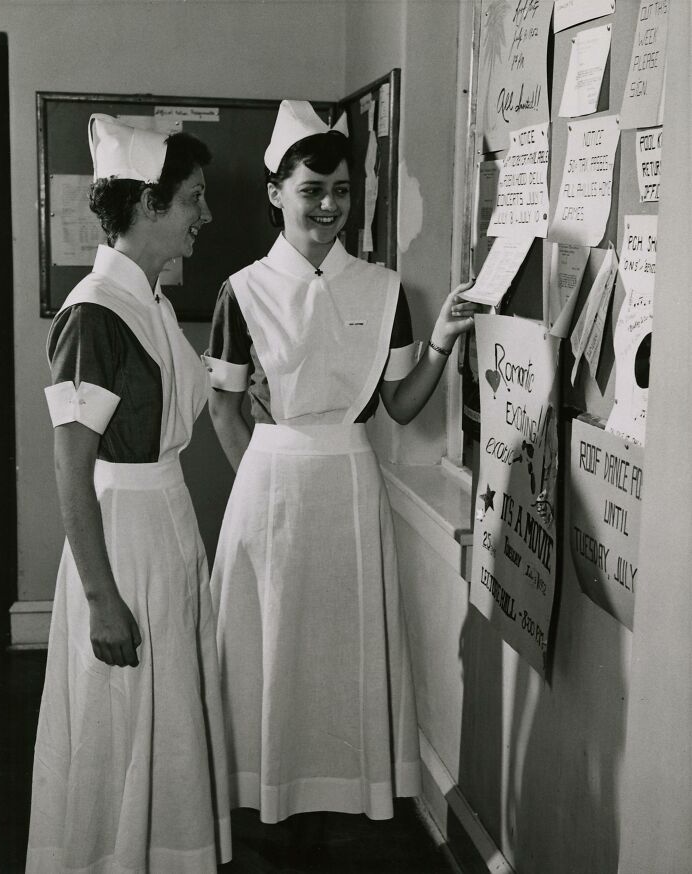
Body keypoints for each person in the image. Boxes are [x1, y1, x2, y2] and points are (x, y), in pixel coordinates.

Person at [204, 100, 476, 847]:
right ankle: (262, 794)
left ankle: (343, 792)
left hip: (351, 485)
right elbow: (223, 409)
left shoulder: (383, 290)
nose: (329, 206)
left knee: (342, 648)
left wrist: (443, 345)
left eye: (343, 191)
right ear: (275, 193)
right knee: (269, 644)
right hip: (271, 487)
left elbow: (400, 405)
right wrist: (256, 489)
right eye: (312, 190)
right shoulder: (244, 291)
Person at [26, 115, 231, 873]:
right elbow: (68, 469)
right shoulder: (93, 314)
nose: (203, 218)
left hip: (166, 526)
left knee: (168, 709)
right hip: (120, 540)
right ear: (149, 203)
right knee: (122, 715)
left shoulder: (152, 301)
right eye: (192, 202)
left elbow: (188, 381)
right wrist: (102, 598)